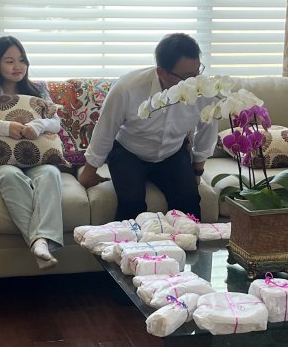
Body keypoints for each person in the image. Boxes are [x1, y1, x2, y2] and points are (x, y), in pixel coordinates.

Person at [78, 32, 216, 220]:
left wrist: (197, 170)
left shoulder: (203, 88)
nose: (194, 83)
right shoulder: (127, 88)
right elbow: (105, 130)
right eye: (186, 77)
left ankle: (185, 240)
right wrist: (89, 172)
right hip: (129, 152)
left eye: (197, 73)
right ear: (162, 72)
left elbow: (207, 130)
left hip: (172, 152)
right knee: (131, 203)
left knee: (189, 202)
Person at [0, 36, 64, 269]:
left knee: (51, 174)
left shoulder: (38, 91)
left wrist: (38, 125)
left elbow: (56, 123)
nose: (17, 66)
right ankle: (40, 242)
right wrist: (5, 127)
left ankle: (40, 241)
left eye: (22, 60)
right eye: (9, 61)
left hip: (36, 160)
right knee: (10, 176)